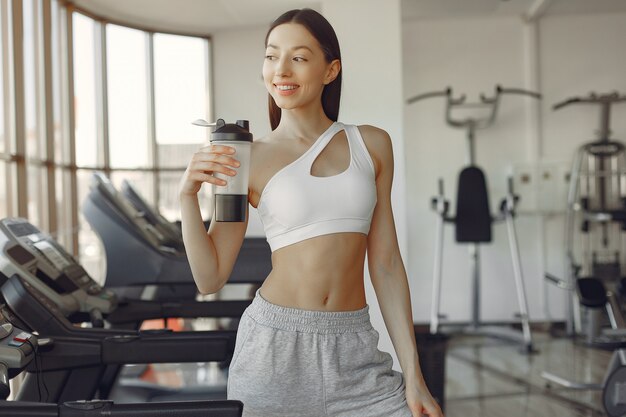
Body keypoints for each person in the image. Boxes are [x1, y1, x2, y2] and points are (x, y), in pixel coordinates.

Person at [179, 8, 443, 417]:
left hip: (354, 348)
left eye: (299, 57)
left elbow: (387, 264)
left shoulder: (371, 145)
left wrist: (414, 374)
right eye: (271, 56)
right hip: (273, 350)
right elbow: (210, 277)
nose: (281, 69)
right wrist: (186, 198)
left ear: (330, 69)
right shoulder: (245, 157)